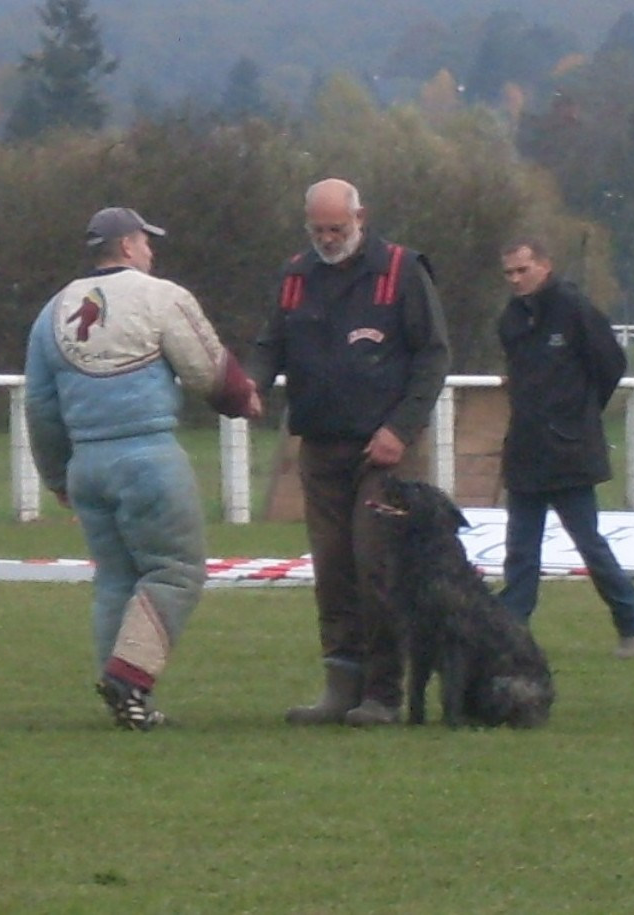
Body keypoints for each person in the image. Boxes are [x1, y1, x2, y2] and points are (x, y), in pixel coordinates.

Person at [24, 206, 262, 730]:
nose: (152, 251)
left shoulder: (52, 312)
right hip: (147, 458)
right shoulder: (161, 297)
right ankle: (130, 680)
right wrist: (242, 398)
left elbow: (39, 407)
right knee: (175, 572)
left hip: (87, 465)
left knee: (116, 579)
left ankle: (123, 702)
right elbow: (207, 369)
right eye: (146, 242)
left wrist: (57, 477)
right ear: (128, 246)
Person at [247, 178, 451, 726]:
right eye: (318, 229)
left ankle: (384, 692)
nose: (328, 238)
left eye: (337, 228)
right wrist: (252, 387)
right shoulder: (296, 277)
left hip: (386, 450)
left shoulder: (402, 271)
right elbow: (271, 344)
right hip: (320, 445)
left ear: (362, 216)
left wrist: (401, 431)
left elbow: (433, 356)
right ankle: (341, 684)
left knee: (376, 564)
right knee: (332, 569)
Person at [495, 239, 634, 659]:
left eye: (522, 270)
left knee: (588, 543)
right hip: (526, 449)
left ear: (544, 265)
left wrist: (579, 413)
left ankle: (632, 622)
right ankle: (510, 635)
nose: (515, 279)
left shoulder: (574, 308)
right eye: (508, 273)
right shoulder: (510, 319)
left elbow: (611, 364)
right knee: (520, 552)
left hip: (568, 451)